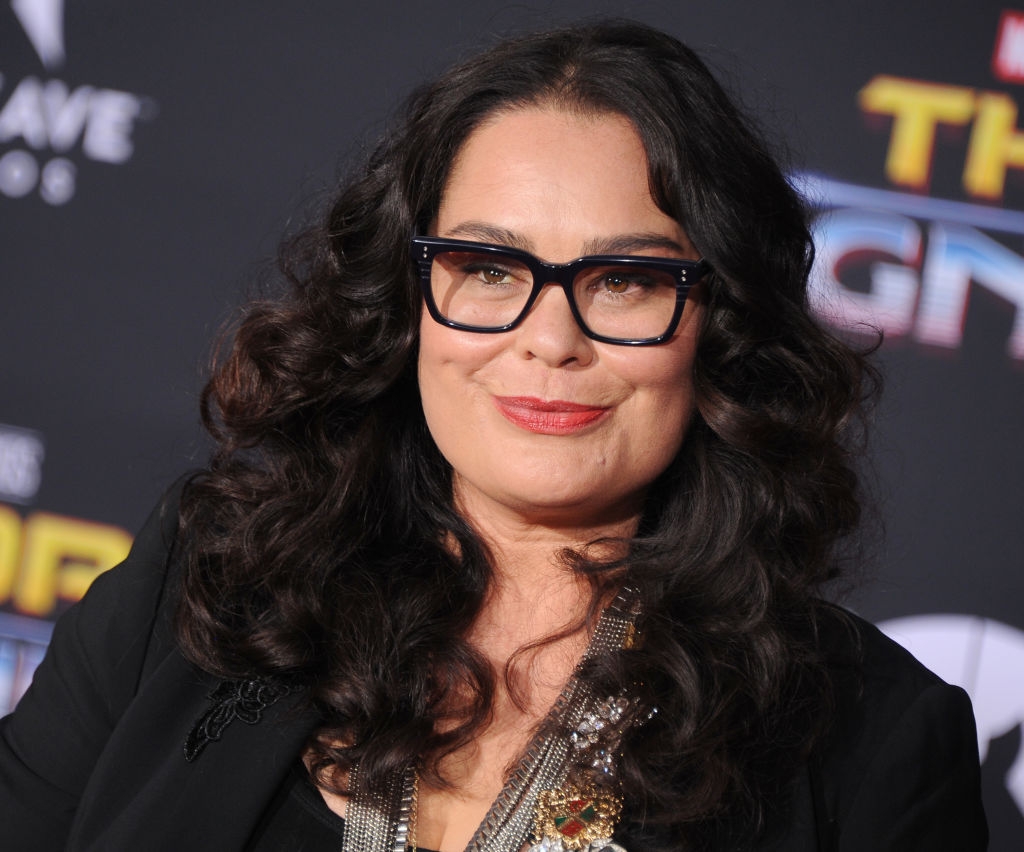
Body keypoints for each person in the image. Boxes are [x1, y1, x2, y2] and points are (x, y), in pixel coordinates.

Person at [0, 19, 987, 852]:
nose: (549, 341)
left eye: (626, 281)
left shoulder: (871, 738)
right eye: (488, 269)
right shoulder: (211, 575)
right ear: (409, 297)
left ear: (719, 326)